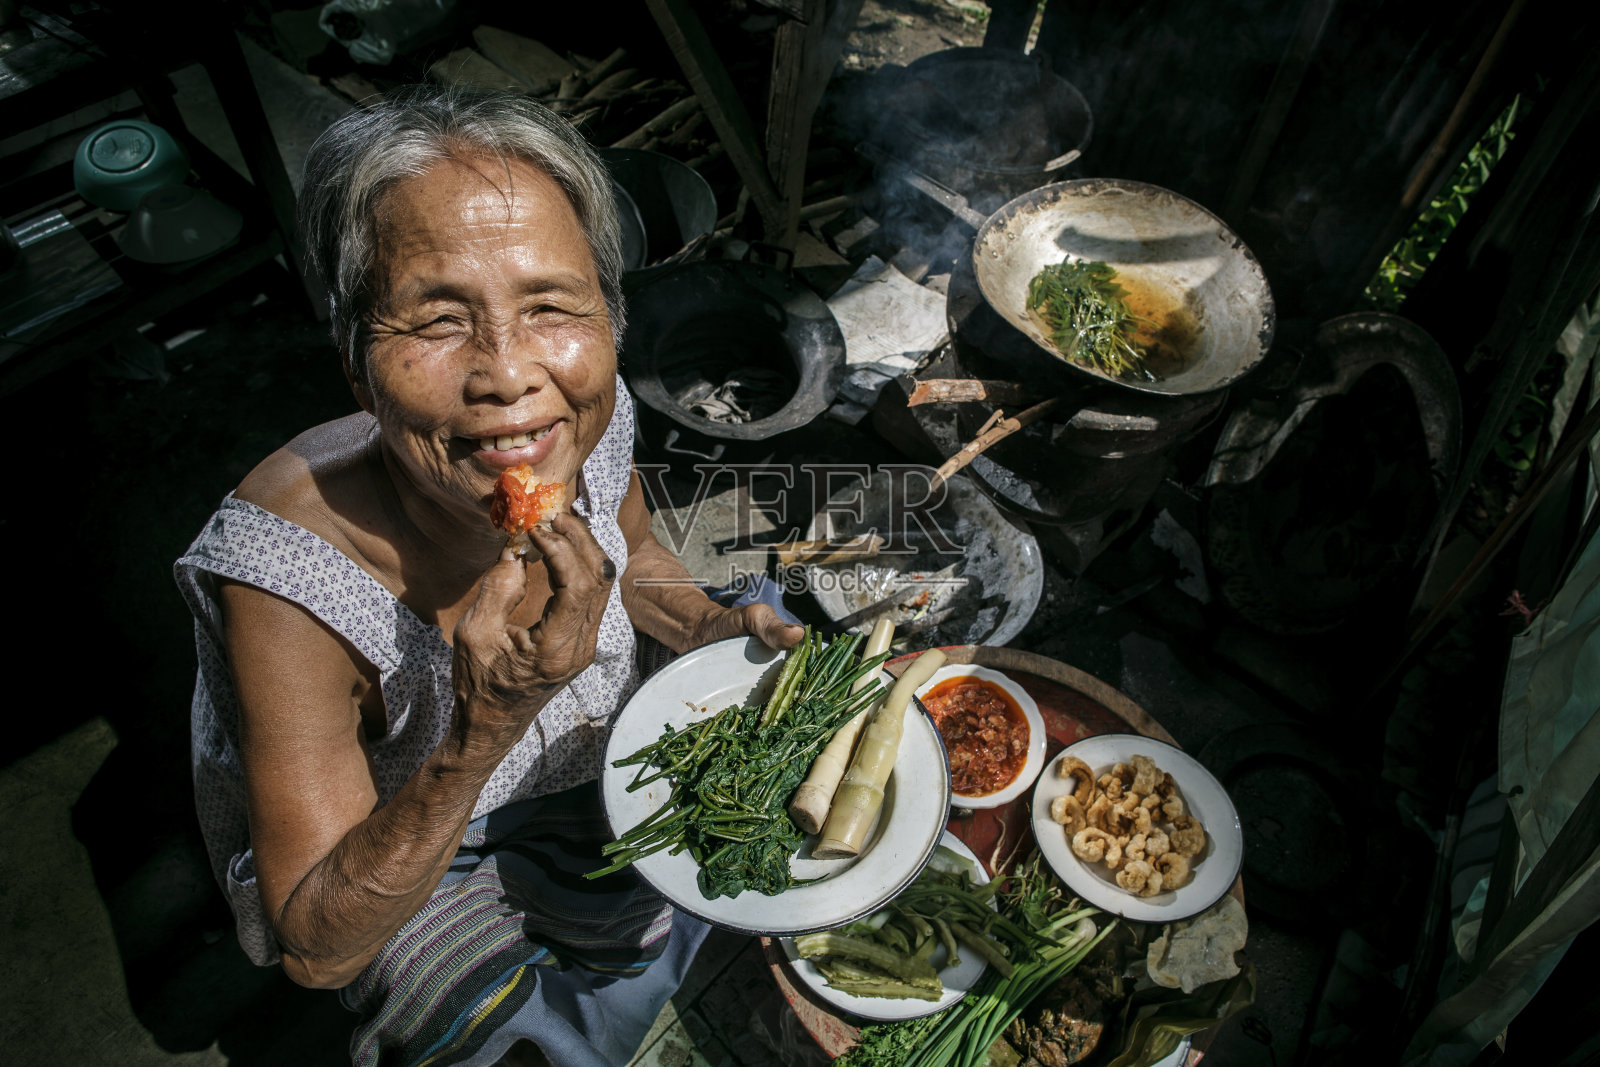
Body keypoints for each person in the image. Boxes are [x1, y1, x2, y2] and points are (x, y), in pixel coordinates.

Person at [174, 85, 803, 1067]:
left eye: (553, 305)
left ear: (609, 320)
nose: (510, 374)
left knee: (760, 606)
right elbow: (318, 944)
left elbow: (638, 560)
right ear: (354, 361)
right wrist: (482, 727)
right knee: (466, 1009)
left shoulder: (581, 416)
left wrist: (713, 630)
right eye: (435, 321)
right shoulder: (288, 580)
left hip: (579, 755)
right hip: (420, 826)